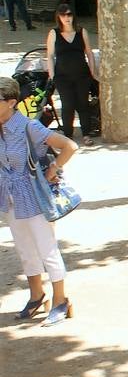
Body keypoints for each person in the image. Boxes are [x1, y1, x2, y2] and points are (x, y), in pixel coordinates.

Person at [0, 74, 78, 326]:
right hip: (10, 196)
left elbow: (69, 146)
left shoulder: (27, 126)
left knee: (47, 248)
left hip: (34, 195)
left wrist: (54, 168)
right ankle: (36, 295)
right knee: (24, 248)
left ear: (11, 102)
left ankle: (61, 300)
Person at [43, 4, 99, 144]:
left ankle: (86, 134)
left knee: (83, 104)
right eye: (63, 15)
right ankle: (68, 134)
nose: (66, 18)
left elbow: (89, 52)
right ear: (58, 17)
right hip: (62, 76)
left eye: (69, 14)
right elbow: (50, 55)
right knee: (67, 105)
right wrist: (52, 74)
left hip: (82, 75)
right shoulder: (54, 33)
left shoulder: (81, 32)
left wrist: (92, 72)